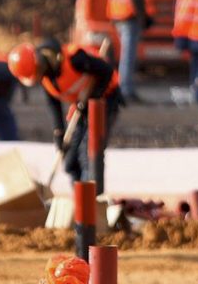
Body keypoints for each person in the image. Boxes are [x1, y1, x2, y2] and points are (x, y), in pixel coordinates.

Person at [10, 37, 118, 181]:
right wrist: (58, 132)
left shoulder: (75, 59)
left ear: (39, 63)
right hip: (81, 106)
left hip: (105, 98)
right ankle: (79, 199)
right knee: (70, 162)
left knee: (88, 155)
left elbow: (106, 71)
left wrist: (93, 96)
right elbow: (53, 103)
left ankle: (91, 198)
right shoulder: (46, 76)